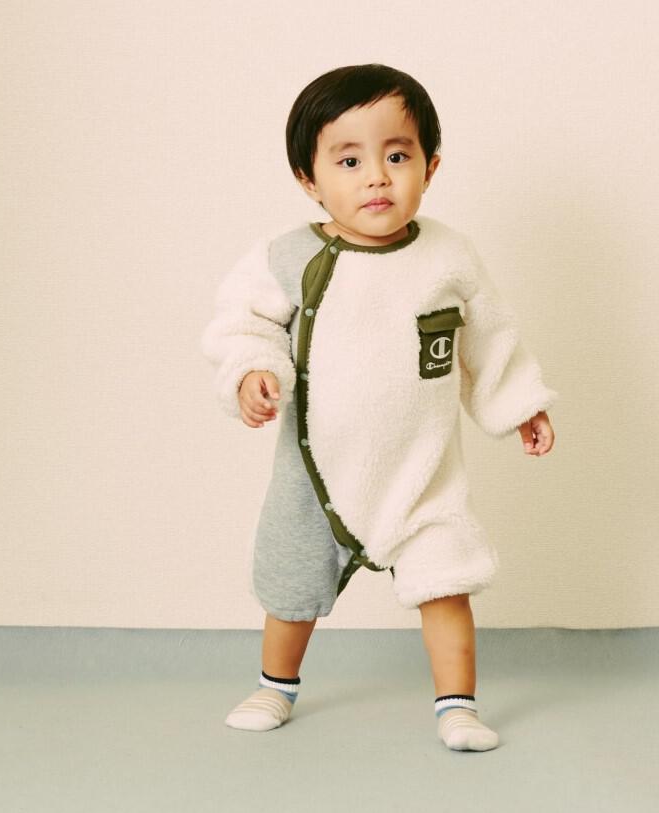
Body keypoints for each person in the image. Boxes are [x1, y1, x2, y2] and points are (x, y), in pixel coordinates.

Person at [200, 63, 558, 752]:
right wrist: (252, 371)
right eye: (349, 161)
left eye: (397, 156)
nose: (376, 178)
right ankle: (276, 684)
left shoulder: (448, 257)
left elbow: (490, 338)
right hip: (317, 474)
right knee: (291, 588)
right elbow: (243, 325)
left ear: (431, 166)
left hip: (421, 473)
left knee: (446, 583)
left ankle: (458, 706)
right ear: (309, 179)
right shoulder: (289, 257)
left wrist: (521, 404)